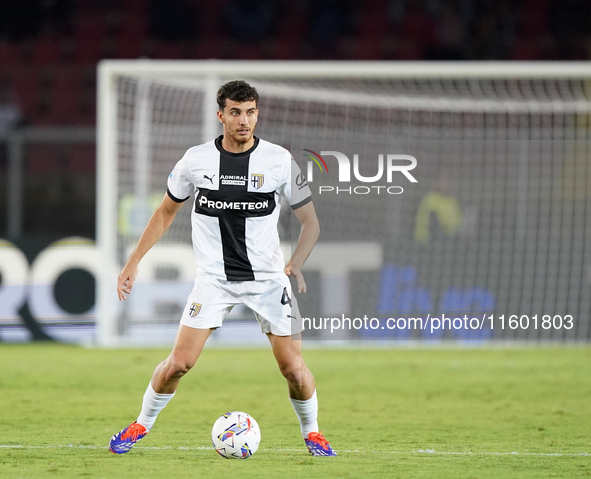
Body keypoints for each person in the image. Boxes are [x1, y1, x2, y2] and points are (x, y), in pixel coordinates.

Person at [108, 80, 336, 457]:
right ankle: (140, 424)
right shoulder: (195, 160)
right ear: (221, 115)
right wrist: (133, 261)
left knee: (294, 369)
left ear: (257, 114)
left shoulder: (279, 160)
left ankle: (312, 433)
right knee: (179, 363)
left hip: (268, 281)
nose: (244, 120)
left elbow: (311, 222)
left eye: (250, 112)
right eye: (235, 112)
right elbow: (165, 212)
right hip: (214, 281)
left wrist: (296, 262)